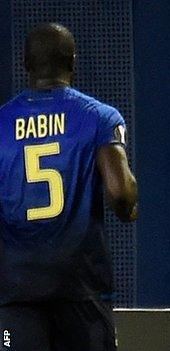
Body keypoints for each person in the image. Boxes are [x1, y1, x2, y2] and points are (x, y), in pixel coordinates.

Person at [0, 23, 138, 351]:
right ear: (73, 62)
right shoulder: (99, 117)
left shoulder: (2, 122)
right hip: (82, 288)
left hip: (16, 290)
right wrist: (130, 205)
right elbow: (121, 194)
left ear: (26, 65)